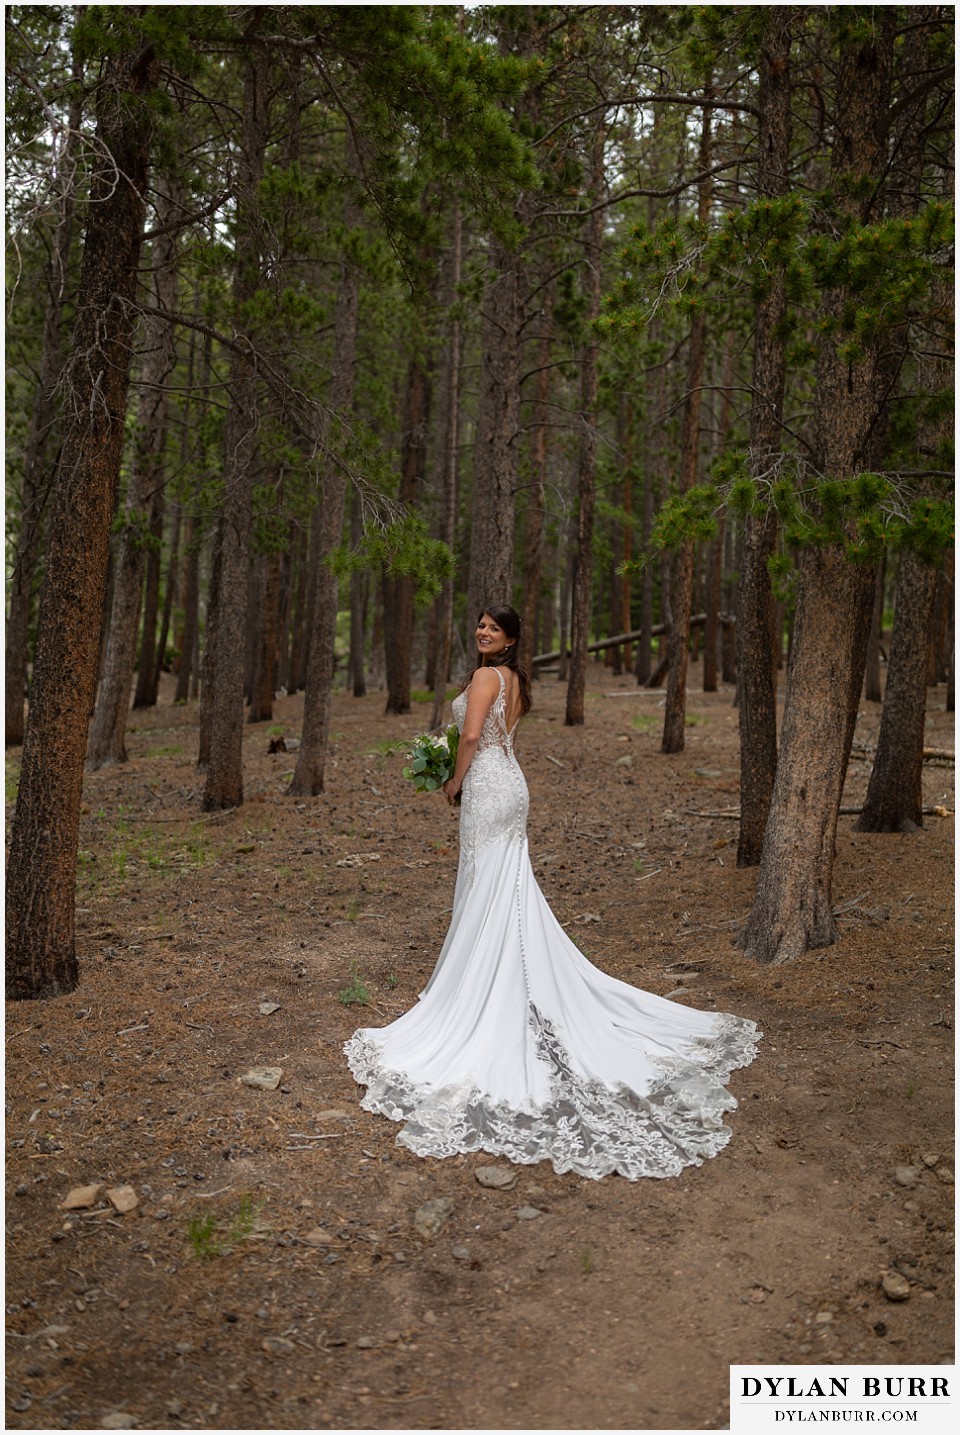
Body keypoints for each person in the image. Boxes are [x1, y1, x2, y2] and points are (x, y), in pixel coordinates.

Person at [345, 604, 760, 1180]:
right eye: (480, 625)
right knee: (503, 885)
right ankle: (504, 970)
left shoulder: (489, 676)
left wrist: (452, 781)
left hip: (489, 786)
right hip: (511, 784)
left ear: (511, 639)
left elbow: (470, 734)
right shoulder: (513, 679)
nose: (482, 632)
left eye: (493, 628)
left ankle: (487, 988)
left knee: (490, 883)